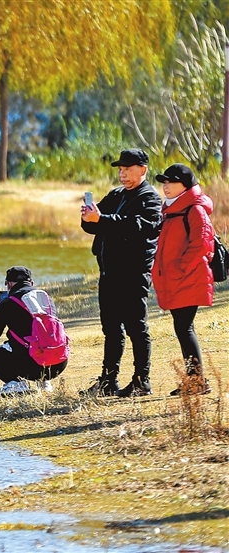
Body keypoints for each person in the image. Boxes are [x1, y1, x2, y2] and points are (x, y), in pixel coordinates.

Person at [81, 148, 162, 397]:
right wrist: (88, 217)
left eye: (127, 169)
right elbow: (96, 225)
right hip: (109, 274)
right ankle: (108, 381)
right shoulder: (116, 194)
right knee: (111, 329)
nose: (122, 174)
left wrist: (102, 219)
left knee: (136, 327)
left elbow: (136, 226)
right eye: (120, 169)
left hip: (133, 274)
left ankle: (141, 381)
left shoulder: (150, 198)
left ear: (143, 170)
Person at [152, 164, 215, 395]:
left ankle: (197, 382)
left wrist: (180, 269)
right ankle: (195, 381)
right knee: (183, 328)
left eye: (170, 181)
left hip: (189, 279)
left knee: (184, 328)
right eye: (164, 181)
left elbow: (202, 244)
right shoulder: (172, 210)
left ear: (185, 185)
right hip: (178, 279)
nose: (165, 186)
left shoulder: (194, 210)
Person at [0, 266, 68, 398]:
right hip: (58, 363)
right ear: (31, 283)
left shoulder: (7, 303)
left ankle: (16, 384)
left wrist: (0, 313)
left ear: (9, 284)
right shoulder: (46, 299)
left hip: (32, 367)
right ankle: (45, 382)